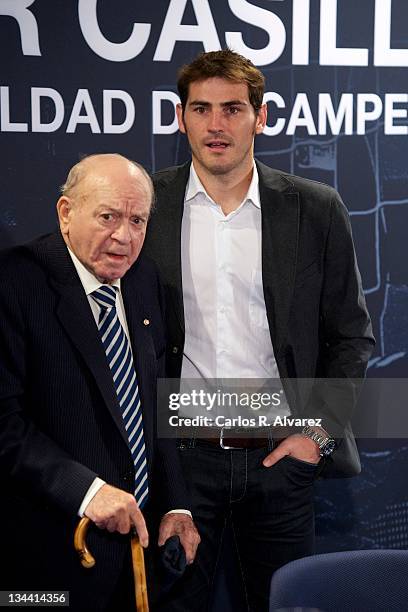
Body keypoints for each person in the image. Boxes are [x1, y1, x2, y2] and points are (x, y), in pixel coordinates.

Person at [142, 50, 375, 611]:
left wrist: (314, 437)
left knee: (284, 605)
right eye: (201, 109)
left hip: (280, 464)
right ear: (180, 118)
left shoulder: (315, 209)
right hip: (180, 465)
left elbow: (351, 336)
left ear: (261, 116)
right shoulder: (146, 204)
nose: (216, 125)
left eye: (232, 109)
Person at [0, 154, 200, 611]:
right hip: (47, 560)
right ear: (66, 212)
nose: (124, 237)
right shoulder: (13, 283)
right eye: (108, 216)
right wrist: (88, 492)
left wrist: (175, 504)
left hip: (139, 562)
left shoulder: (144, 279)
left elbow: (155, 401)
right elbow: (4, 423)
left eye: (138, 220)